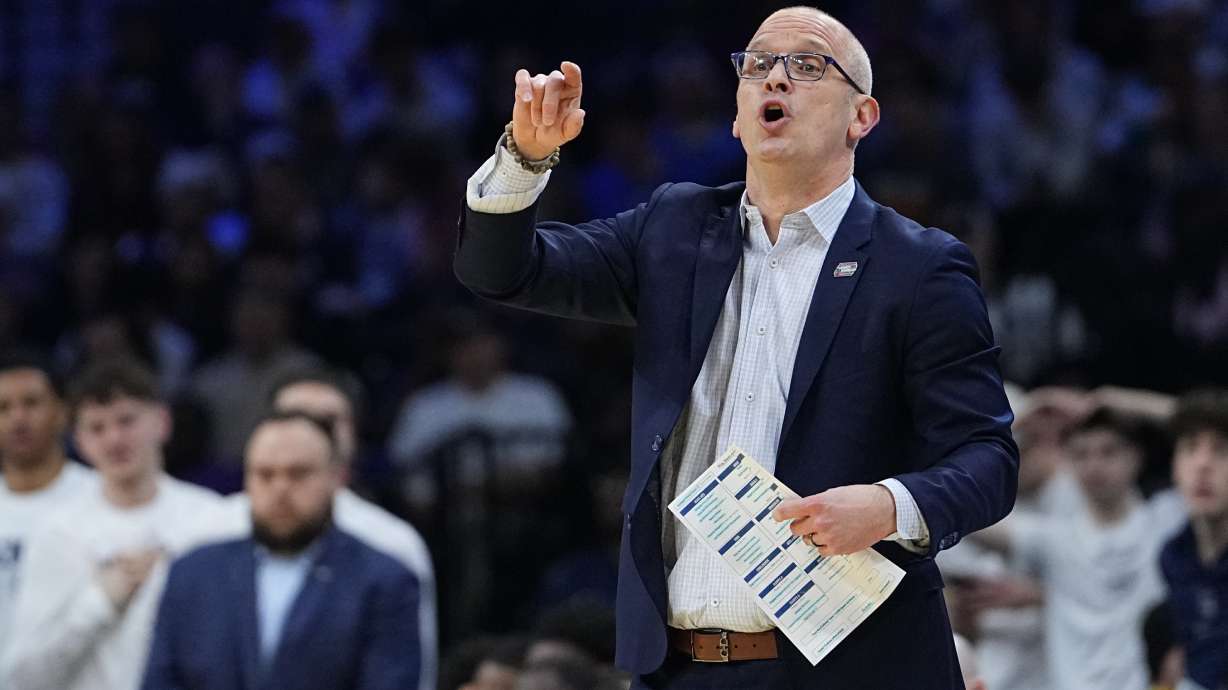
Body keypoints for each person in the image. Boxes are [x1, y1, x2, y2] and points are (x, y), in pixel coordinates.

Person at [454, 6, 1018, 688]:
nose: (775, 76)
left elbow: (988, 460)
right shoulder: (674, 227)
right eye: (757, 65)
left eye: (807, 65)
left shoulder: (919, 268)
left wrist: (887, 506)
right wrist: (525, 157)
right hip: (680, 667)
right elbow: (503, 272)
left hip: (849, 668)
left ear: (861, 117)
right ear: (737, 114)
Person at [143, 412, 422, 690]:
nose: (280, 489)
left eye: (298, 474)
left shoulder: (383, 581)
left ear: (335, 478)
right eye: (265, 474)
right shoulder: (192, 574)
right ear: (246, 481)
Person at [1, 358, 225, 690]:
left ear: (162, 422)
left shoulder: (211, 518)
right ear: (78, 440)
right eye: (97, 427)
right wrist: (100, 601)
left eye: (127, 421)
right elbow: (22, 677)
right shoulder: (59, 533)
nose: (115, 439)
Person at [972, 408, 1182, 690]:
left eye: (1108, 452)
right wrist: (1014, 420)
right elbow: (964, 513)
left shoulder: (1166, 521)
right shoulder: (1055, 540)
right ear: (1067, 462)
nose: (1094, 465)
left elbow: (1207, 421)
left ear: (1136, 456)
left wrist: (1108, 398)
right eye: (1081, 455)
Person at [268, 366, 437, 690]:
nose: (311, 432)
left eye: (329, 420)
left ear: (354, 432)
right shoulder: (214, 528)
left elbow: (412, 670)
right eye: (294, 417)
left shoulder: (392, 541)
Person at [0, 353, 96, 661]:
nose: (18, 418)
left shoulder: (100, 496)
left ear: (62, 413)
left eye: (31, 403)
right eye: (4, 408)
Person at [1161, 390, 1228, 690]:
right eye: (1190, 449)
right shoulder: (1173, 556)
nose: (1202, 465)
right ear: (1175, 467)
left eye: (1221, 450)